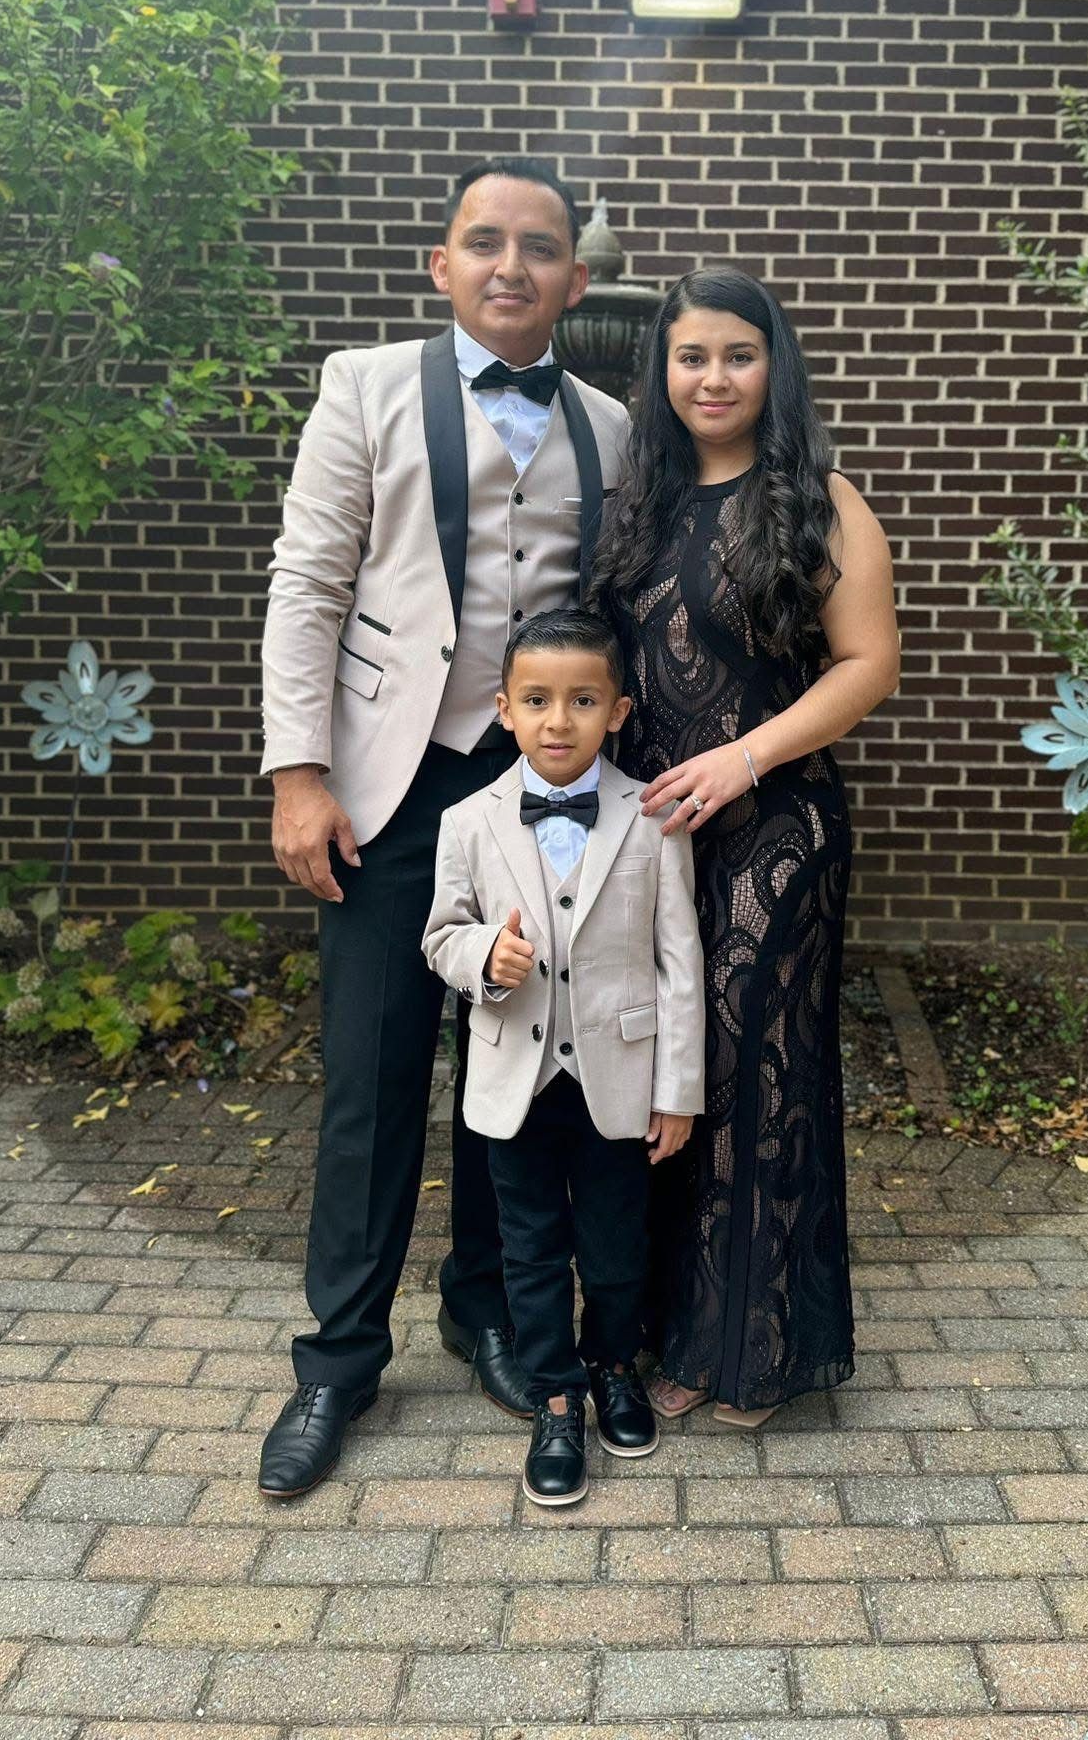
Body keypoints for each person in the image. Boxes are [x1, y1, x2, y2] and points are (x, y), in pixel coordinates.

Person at [257, 157, 629, 1498]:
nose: (511, 265)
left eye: (539, 248)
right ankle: (338, 1362)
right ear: (444, 264)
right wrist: (300, 772)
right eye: (486, 241)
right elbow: (309, 582)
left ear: (574, 283)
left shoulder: (611, 421)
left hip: (535, 792)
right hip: (387, 784)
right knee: (370, 1077)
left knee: (512, 1067)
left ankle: (484, 1312)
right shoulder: (363, 386)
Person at [588, 268, 900, 1427]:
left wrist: (743, 758)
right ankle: (672, 1322)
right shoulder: (638, 501)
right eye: (690, 357)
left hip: (776, 829)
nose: (712, 377)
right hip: (657, 839)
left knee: (748, 1076)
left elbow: (869, 664)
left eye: (736, 354)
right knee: (665, 1074)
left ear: (774, 368)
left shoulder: (818, 499)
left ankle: (750, 1350)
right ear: (661, 374)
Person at [422, 608, 704, 1506]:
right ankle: (554, 1396)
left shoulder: (653, 818)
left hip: (617, 1082)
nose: (558, 720)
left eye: (582, 700)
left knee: (617, 1245)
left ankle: (615, 1364)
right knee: (531, 1252)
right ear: (504, 709)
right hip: (517, 1081)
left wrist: (680, 1091)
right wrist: (484, 963)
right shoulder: (469, 820)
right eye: (537, 700)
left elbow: (679, 965)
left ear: (617, 711)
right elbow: (440, 938)